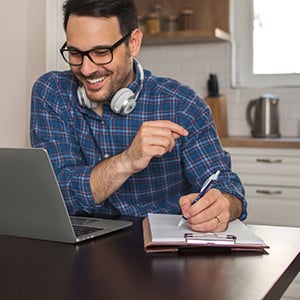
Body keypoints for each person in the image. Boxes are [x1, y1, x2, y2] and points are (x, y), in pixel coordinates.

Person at [30, 0, 247, 232]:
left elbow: (226, 187)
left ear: (133, 43)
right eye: (75, 53)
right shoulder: (52, 92)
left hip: (161, 254)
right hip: (82, 253)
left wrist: (222, 205)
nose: (86, 69)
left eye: (101, 52)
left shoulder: (180, 104)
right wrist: (127, 161)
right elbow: (57, 196)